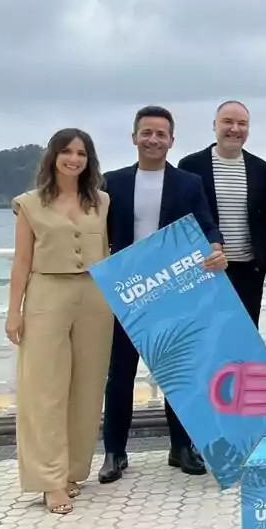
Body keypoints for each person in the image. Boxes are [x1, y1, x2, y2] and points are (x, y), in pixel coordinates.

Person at [99, 106, 227, 484]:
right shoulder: (112, 182)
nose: (153, 139)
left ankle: (181, 447)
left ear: (171, 140)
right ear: (134, 136)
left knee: (179, 372)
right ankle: (114, 452)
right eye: (146, 132)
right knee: (120, 374)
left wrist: (216, 248)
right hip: (128, 289)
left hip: (173, 288)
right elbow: (83, 215)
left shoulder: (188, 183)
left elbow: (206, 224)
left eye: (161, 134)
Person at [5, 129, 113, 515]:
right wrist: (13, 310)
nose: (74, 159)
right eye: (66, 151)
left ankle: (71, 471)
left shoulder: (100, 201)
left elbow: (110, 251)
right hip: (46, 295)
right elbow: (20, 261)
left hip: (95, 298)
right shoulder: (30, 204)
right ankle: (49, 481)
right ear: (53, 156)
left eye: (81, 153)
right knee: (45, 389)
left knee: (86, 387)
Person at [177, 100, 266, 325]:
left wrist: (264, 264)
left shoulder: (261, 169)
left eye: (242, 123)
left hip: (248, 270)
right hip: (204, 269)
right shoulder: (190, 165)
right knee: (205, 337)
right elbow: (182, 219)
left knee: (245, 340)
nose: (235, 129)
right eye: (228, 122)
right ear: (214, 125)